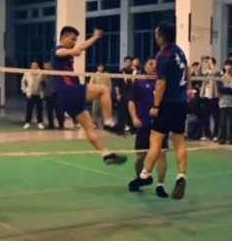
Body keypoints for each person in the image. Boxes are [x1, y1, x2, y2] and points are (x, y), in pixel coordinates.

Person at [128, 22, 190, 200]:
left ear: (161, 37)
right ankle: (181, 175)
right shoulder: (179, 51)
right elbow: (187, 70)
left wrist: (155, 106)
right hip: (181, 103)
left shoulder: (163, 56)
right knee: (179, 141)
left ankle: (145, 175)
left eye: (156, 34)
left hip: (167, 103)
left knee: (155, 140)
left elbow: (161, 83)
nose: (155, 36)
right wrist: (188, 89)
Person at [51, 26, 127, 165]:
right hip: (66, 90)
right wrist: (72, 51)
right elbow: (61, 52)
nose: (74, 42)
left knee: (89, 127)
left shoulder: (69, 51)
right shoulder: (57, 50)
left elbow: (81, 47)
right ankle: (108, 122)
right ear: (64, 37)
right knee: (103, 90)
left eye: (75, 40)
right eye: (72, 39)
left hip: (66, 98)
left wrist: (95, 36)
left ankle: (105, 154)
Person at [127, 57, 169, 198]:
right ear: (144, 66)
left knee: (161, 154)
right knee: (140, 156)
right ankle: (141, 178)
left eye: (156, 65)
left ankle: (160, 185)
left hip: (160, 123)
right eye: (150, 64)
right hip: (143, 123)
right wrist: (134, 118)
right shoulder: (138, 81)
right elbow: (131, 101)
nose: (153, 66)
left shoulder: (162, 82)